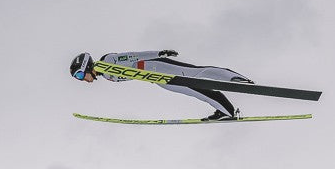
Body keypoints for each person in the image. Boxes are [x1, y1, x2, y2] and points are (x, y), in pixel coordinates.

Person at [69, 50, 254, 120]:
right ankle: (226, 111)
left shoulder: (106, 61)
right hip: (157, 79)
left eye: (79, 74)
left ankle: (235, 79)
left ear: (85, 66)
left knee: (197, 73)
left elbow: (134, 56)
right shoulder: (107, 75)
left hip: (156, 66)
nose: (81, 79)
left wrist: (159, 52)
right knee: (196, 90)